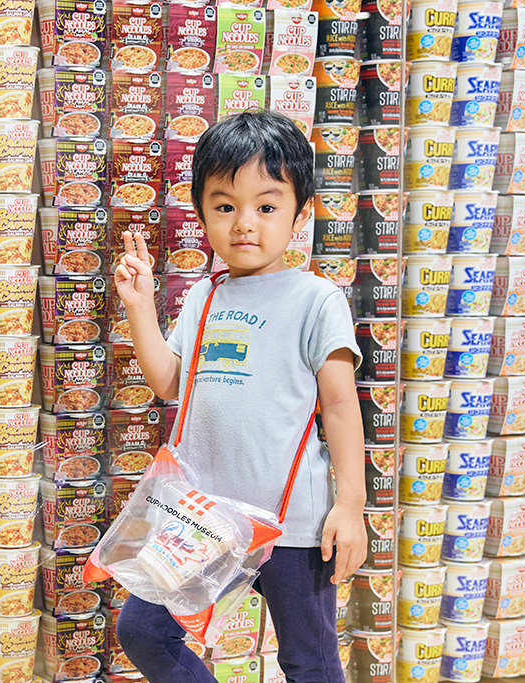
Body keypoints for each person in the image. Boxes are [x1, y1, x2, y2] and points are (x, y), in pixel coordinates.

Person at [113, 110, 368, 683]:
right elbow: (171, 384)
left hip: (293, 523)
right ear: (202, 213)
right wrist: (140, 308)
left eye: (267, 206)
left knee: (309, 661)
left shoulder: (316, 300)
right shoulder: (203, 296)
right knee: (144, 631)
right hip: (206, 518)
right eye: (225, 206)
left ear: (301, 212)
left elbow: (340, 407)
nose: (244, 224)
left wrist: (350, 506)